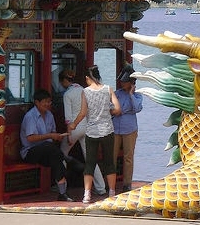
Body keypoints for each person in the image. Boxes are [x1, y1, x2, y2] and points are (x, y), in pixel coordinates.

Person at [67, 65, 121, 204]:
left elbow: (83, 113)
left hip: (92, 132)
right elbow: (117, 109)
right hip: (107, 130)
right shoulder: (107, 89)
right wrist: (107, 113)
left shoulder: (85, 92)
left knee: (90, 163)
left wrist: (74, 124)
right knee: (109, 162)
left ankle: (87, 195)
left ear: (87, 78)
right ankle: (112, 192)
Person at [58, 69, 107, 195]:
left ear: (64, 81)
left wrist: (69, 134)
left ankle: (61, 184)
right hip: (87, 127)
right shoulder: (83, 90)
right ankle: (101, 188)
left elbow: (68, 117)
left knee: (61, 154)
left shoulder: (67, 94)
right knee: (91, 159)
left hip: (74, 128)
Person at [20, 89, 73, 202]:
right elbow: (30, 138)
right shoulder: (30, 116)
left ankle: (62, 193)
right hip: (30, 152)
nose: (48, 104)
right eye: (45, 102)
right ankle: (67, 159)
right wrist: (50, 135)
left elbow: (52, 135)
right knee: (50, 148)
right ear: (37, 102)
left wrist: (57, 137)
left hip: (47, 151)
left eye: (49, 101)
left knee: (56, 158)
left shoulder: (50, 115)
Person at [112, 64, 143, 192]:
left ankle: (127, 183)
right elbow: (111, 108)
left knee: (128, 157)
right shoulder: (116, 93)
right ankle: (111, 182)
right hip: (115, 128)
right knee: (112, 156)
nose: (122, 83)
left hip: (129, 128)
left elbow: (137, 108)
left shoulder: (137, 95)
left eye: (125, 82)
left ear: (131, 83)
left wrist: (131, 94)